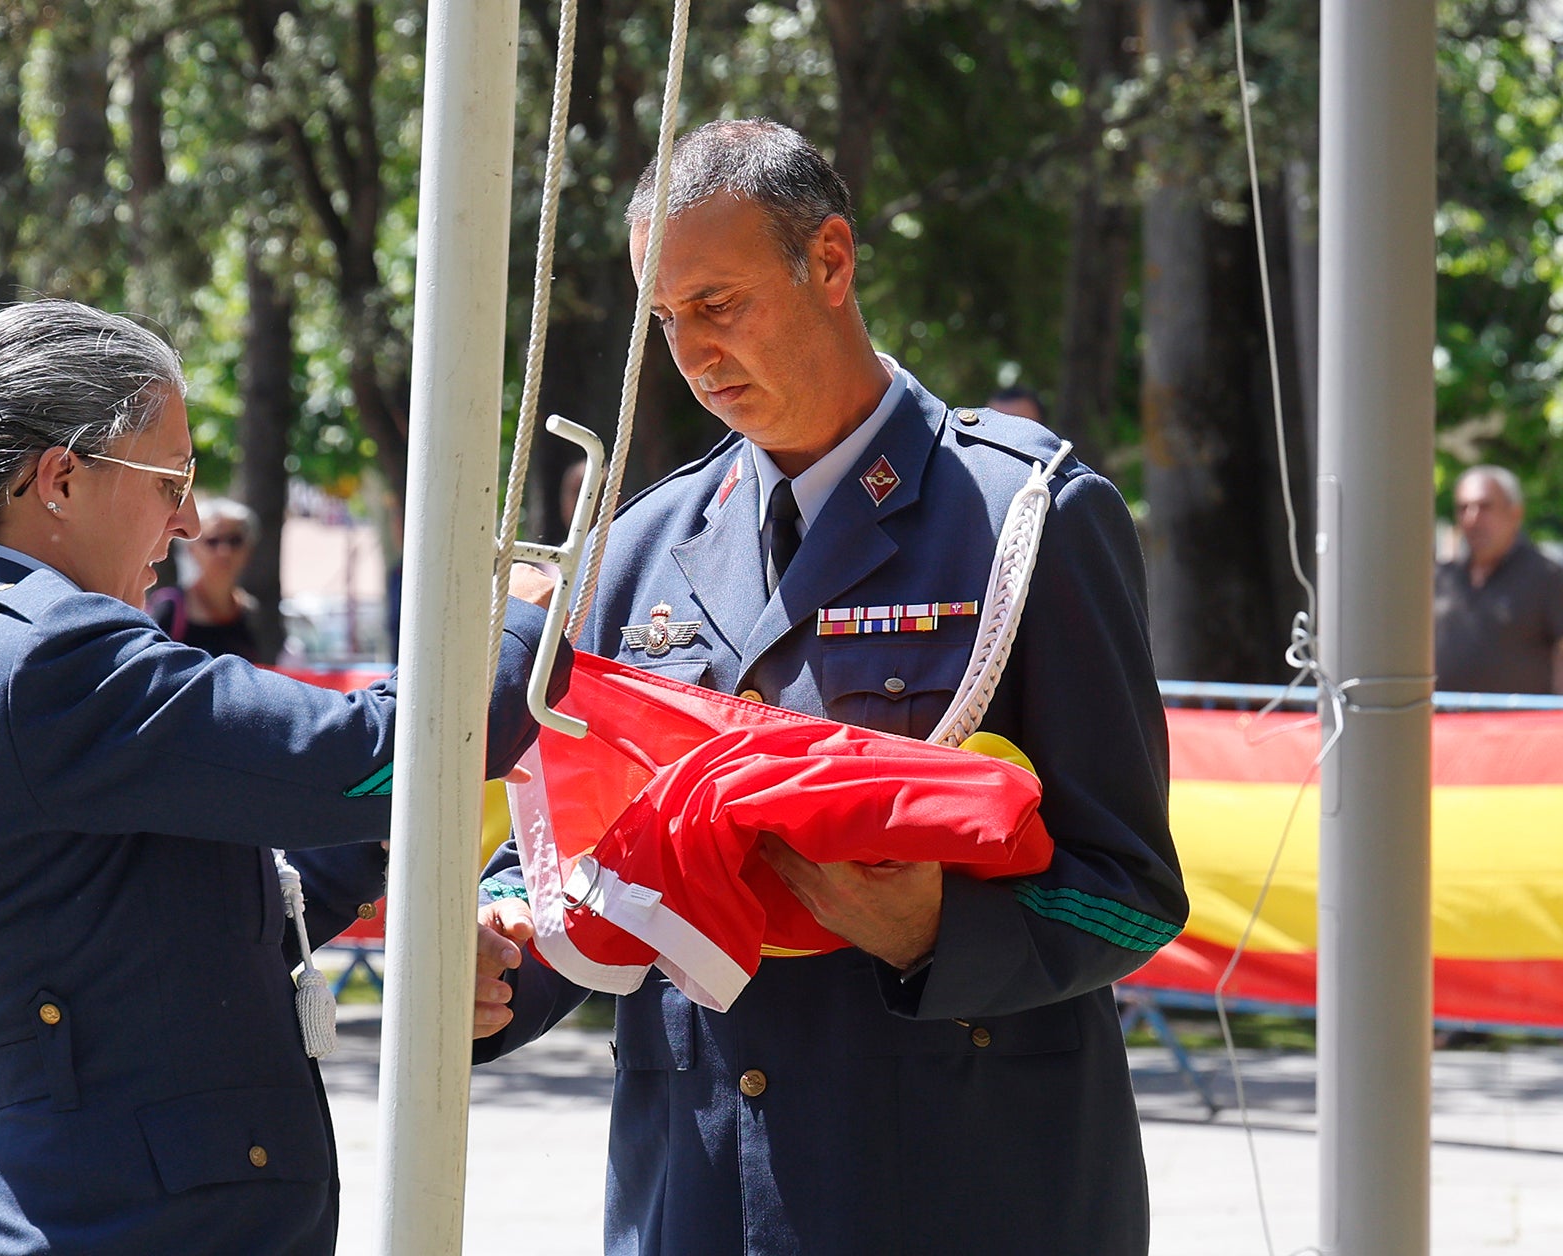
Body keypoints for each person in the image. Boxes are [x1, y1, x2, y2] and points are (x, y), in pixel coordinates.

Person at [471, 120, 1186, 1255]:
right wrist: (496, 948)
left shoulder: (1024, 518)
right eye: (667, 320)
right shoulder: (643, 542)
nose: (693, 353)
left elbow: (1128, 889)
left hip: (957, 1184)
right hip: (700, 1188)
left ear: (832, 262)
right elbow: (578, 850)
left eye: (717, 303)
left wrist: (935, 929)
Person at [0, 298, 564, 1256]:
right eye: (171, 477)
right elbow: (373, 757)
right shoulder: (48, 659)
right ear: (60, 479)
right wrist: (520, 623)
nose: (185, 519)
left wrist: (406, 877)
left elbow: (179, 908)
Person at [1435, 464, 1563, 695]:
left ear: (1515, 513)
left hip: (1522, 727)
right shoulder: (1441, 577)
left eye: (1485, 507)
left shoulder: (1548, 578)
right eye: (1464, 508)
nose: (1472, 518)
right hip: (1445, 725)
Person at [149, 495, 270, 660]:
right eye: (213, 541)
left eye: (235, 541)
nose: (224, 552)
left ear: (248, 549)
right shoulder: (169, 608)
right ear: (191, 550)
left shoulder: (252, 614)